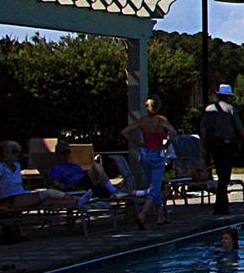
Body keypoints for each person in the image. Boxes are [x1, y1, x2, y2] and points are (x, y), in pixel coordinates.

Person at [122, 97, 176, 227]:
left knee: (154, 185)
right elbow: (174, 132)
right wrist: (166, 144)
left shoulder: (142, 121)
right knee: (154, 187)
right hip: (156, 153)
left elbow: (125, 132)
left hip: (144, 154)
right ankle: (143, 214)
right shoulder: (161, 120)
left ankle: (160, 216)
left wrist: (138, 143)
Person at [200, 84, 244, 216]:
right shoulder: (230, 109)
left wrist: (204, 146)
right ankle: (221, 205)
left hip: (215, 145)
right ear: (227, 97)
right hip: (227, 144)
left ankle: (222, 204)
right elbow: (239, 128)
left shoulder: (209, 109)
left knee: (222, 174)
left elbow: (203, 129)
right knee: (225, 175)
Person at [49, 142, 121, 200]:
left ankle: (114, 190)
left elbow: (84, 174)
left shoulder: (74, 165)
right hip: (76, 185)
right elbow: (56, 184)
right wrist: (65, 187)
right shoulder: (56, 168)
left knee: (97, 169)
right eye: (63, 153)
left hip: (86, 182)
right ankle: (114, 190)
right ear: (57, 154)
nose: (66, 155)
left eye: (68, 152)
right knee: (96, 166)